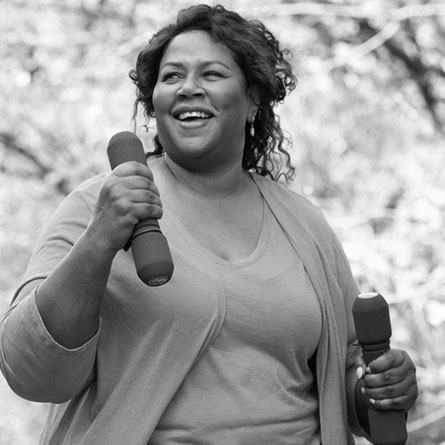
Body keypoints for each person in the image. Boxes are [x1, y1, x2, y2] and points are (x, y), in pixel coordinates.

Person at [0, 4, 417, 445]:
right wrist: (100, 239)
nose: (189, 89)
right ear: (153, 102)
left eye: (212, 74)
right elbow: (29, 370)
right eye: (172, 76)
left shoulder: (304, 224)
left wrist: (383, 391)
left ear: (253, 98)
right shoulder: (97, 206)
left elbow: (347, 376)